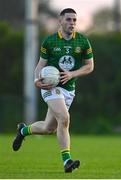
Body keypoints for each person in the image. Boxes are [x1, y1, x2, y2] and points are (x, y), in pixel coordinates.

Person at [12, 8, 94, 173]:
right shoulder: (50, 41)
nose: (72, 23)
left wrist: (72, 74)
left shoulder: (83, 41)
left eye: (74, 20)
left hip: (69, 90)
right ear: (60, 20)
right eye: (69, 19)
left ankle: (23, 130)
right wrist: (36, 81)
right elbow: (40, 66)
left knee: (49, 128)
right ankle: (67, 161)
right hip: (51, 87)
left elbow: (90, 66)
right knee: (64, 118)